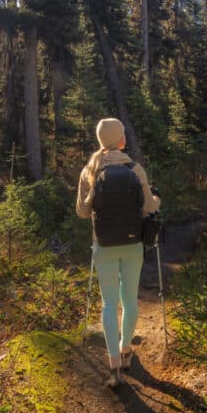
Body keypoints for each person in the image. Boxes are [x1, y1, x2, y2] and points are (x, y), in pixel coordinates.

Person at [76, 117, 160, 387]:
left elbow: (82, 212)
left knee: (109, 304)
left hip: (103, 246)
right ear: (120, 139)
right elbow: (149, 208)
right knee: (130, 301)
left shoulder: (90, 169)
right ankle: (126, 351)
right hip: (133, 243)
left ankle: (113, 365)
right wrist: (156, 198)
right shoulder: (135, 169)